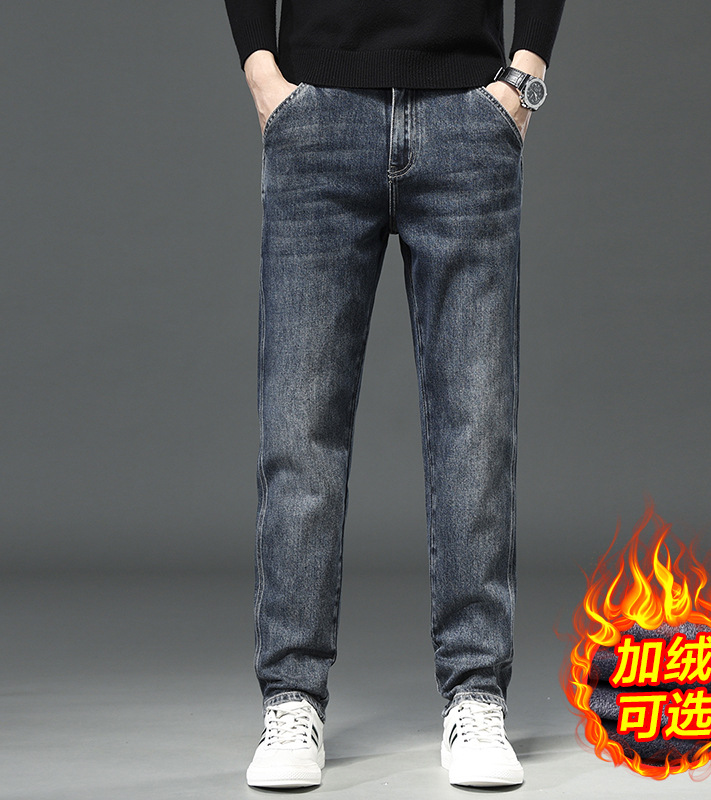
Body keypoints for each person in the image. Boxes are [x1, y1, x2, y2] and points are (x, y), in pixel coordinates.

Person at [224, 0, 566, 789]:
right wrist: (262, 74)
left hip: (466, 116)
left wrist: (523, 80)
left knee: (477, 428)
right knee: (299, 428)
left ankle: (477, 695)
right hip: (318, 114)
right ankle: (291, 698)